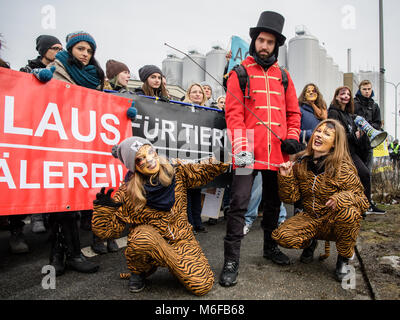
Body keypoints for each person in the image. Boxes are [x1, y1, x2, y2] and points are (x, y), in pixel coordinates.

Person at [220, 11, 302, 287]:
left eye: (270, 42)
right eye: (261, 40)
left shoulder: (285, 77)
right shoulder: (239, 73)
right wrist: (243, 150)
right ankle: (231, 261)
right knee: (238, 204)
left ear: (276, 45)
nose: (264, 46)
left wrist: (292, 138)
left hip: (277, 154)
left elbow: (294, 114)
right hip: (246, 152)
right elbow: (233, 116)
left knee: (273, 203)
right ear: (254, 41)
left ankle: (270, 248)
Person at [91, 136, 229, 295]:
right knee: (141, 238)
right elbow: (107, 232)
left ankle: (176, 265)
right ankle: (139, 271)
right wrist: (103, 211)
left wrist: (225, 157)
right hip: (149, 244)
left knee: (202, 286)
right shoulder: (127, 192)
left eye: (149, 152)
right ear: (133, 166)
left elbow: (202, 168)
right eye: (140, 159)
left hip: (181, 239)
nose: (149, 160)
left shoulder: (175, 169)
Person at [272, 119, 369, 281]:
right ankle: (311, 242)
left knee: (350, 213)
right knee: (281, 236)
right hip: (311, 217)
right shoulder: (301, 163)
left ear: (334, 143)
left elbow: (362, 200)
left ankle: (344, 259)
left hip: (334, 221)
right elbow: (291, 198)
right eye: (318, 131)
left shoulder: (342, 167)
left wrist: (341, 198)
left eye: (326, 133)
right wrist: (285, 177)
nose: (319, 135)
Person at [46, 31, 104, 275]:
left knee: (73, 200)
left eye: (89, 51)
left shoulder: (94, 77)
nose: (85, 54)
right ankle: (58, 255)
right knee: (57, 201)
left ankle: (73, 253)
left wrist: (125, 113)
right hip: (56, 143)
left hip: (81, 145)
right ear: (70, 50)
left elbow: (101, 106)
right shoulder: (54, 70)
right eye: (81, 49)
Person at [20, 35, 63, 234]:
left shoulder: (63, 72)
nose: (58, 52)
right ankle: (35, 216)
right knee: (36, 172)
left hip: (57, 128)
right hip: (35, 127)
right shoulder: (27, 70)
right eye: (54, 48)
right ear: (43, 50)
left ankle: (53, 217)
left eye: (61, 49)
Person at [327, 86, 382, 215]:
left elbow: (351, 136)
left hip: (350, 152)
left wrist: (360, 135)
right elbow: (335, 135)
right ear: (336, 97)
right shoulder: (333, 113)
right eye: (342, 94)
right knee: (353, 178)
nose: (346, 96)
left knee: (363, 175)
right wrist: (354, 136)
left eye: (348, 94)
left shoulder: (348, 115)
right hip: (340, 153)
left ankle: (364, 204)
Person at [183, 83, 208, 233]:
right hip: (187, 154)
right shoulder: (182, 109)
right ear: (188, 94)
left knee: (197, 191)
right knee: (187, 192)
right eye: (194, 92)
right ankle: (190, 223)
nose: (197, 94)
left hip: (201, 156)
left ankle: (198, 222)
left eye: (200, 92)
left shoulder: (208, 111)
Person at [354, 80, 383, 171]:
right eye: (364, 89)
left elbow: (378, 123)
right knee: (355, 171)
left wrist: (367, 127)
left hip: (369, 144)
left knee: (367, 172)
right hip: (355, 144)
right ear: (360, 90)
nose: (367, 91)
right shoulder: (353, 103)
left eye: (369, 89)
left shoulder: (374, 105)